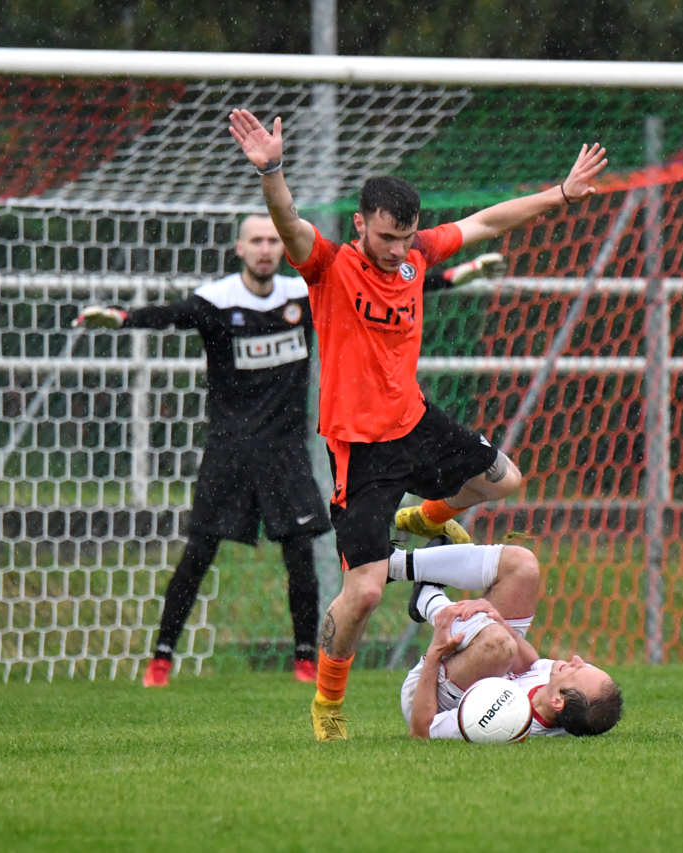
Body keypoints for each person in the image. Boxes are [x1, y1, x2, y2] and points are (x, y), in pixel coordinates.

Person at [227, 107, 608, 740]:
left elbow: (486, 222)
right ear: (360, 224)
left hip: (416, 422)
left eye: (405, 238)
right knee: (365, 593)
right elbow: (289, 221)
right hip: (361, 449)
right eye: (385, 237)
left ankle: (424, 519)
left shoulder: (415, 258)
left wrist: (560, 194)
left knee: (503, 479)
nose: (397, 250)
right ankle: (327, 706)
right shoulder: (327, 265)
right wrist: (272, 170)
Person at [75, 214, 332, 687]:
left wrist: (447, 278)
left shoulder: (302, 296)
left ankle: (304, 661)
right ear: (239, 248)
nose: (265, 249)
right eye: (256, 240)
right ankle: (161, 660)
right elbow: (169, 316)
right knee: (198, 553)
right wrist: (122, 319)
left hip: (285, 452)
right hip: (229, 450)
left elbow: (374, 292)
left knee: (300, 554)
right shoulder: (217, 300)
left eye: (273, 240)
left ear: (284, 248)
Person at [394, 537, 623, 740]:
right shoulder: (559, 694)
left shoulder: (504, 720)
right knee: (523, 566)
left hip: (430, 696)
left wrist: (436, 650)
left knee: (499, 645)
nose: (577, 659)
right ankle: (406, 569)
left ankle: (426, 596)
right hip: (491, 666)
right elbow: (531, 665)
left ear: (558, 701)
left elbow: (422, 731)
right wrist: (497, 618)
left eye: (577, 670)